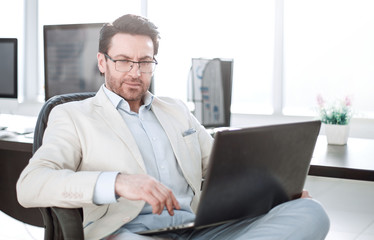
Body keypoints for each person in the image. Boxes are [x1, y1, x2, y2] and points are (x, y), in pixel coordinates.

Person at [17, 14, 330, 240]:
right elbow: (30, 185)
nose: (135, 72)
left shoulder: (176, 110)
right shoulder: (73, 115)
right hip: (128, 230)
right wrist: (117, 182)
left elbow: (224, 168)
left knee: (310, 212)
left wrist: (274, 189)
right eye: (123, 61)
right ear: (102, 62)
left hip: (198, 227)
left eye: (145, 62)